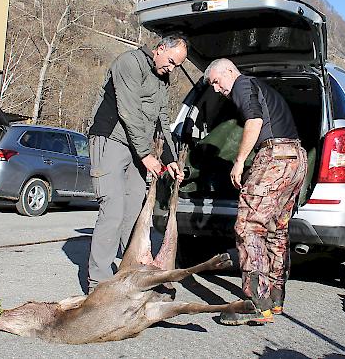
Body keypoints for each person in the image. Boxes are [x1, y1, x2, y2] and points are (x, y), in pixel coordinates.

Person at [204, 58, 307, 325]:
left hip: (274, 158)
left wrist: (239, 161)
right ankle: (274, 299)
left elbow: (254, 120)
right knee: (276, 229)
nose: (216, 89)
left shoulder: (242, 84)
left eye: (216, 81)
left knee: (248, 226)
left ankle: (255, 303)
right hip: (296, 158)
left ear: (228, 71)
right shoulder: (261, 88)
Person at [86, 35, 187, 292]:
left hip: (137, 148)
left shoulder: (162, 77)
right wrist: (146, 155)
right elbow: (128, 111)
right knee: (113, 210)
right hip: (110, 138)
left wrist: (170, 159)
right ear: (160, 48)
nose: (171, 69)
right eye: (171, 62)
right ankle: (97, 284)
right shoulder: (129, 63)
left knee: (135, 213)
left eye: (177, 66)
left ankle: (130, 274)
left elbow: (162, 119)